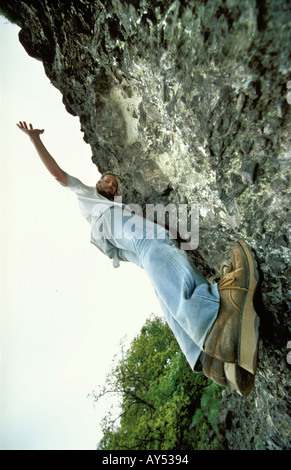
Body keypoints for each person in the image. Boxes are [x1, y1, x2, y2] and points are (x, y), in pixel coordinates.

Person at [17, 121, 260, 396]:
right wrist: (35, 139)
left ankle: (212, 360)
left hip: (118, 241)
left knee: (158, 276)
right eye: (106, 179)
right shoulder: (87, 194)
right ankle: (214, 318)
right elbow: (59, 175)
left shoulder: (113, 208)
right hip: (116, 227)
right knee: (155, 244)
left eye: (114, 183)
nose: (110, 182)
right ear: (97, 183)